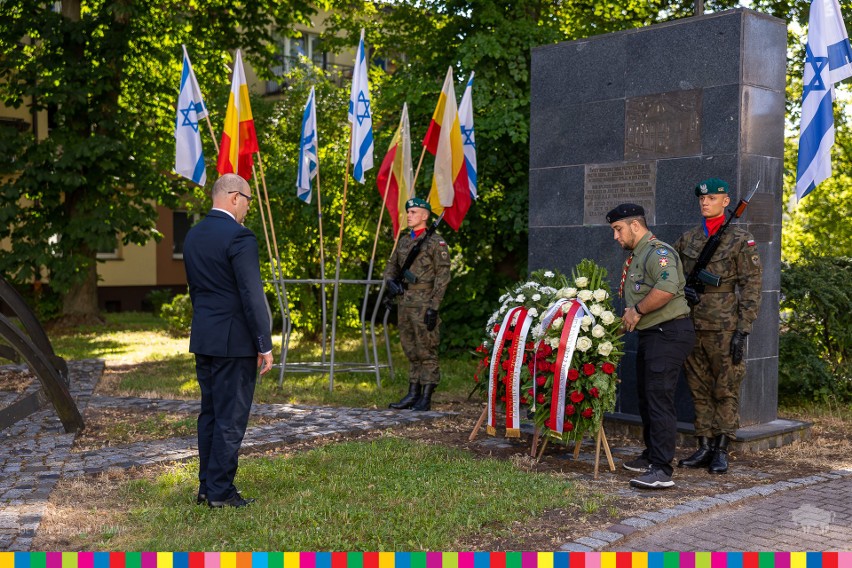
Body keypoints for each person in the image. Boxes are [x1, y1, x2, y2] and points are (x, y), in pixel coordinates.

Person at [183, 173, 273, 508]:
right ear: (234, 197)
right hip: (234, 342)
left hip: (204, 337)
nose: (248, 209)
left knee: (209, 414)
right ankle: (221, 491)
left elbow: (197, 292)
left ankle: (206, 487)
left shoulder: (192, 236)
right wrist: (264, 344)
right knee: (230, 418)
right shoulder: (240, 237)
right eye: (248, 201)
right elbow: (252, 294)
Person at [674, 178, 762, 474]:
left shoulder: (740, 240)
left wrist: (743, 329)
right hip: (691, 321)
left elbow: (751, 286)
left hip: (724, 326)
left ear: (726, 201)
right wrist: (681, 290)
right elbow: (670, 274)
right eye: (702, 199)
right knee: (698, 387)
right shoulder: (688, 239)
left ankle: (722, 447)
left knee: (726, 387)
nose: (705, 202)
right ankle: (704, 445)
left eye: (712, 198)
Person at [607, 203, 695, 489]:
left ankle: (661, 470)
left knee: (659, 399)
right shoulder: (638, 255)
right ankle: (651, 455)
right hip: (652, 334)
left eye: (618, 229)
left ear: (635, 225)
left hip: (668, 332)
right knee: (647, 398)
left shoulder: (658, 252)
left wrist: (638, 311)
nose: (616, 236)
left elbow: (666, 289)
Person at [385, 197, 451, 411]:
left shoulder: (435, 242)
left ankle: (426, 395)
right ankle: (413, 393)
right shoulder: (404, 241)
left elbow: (443, 277)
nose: (409, 215)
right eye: (408, 212)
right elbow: (392, 266)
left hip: (424, 303)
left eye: (414, 212)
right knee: (410, 348)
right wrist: (390, 282)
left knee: (426, 349)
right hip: (405, 302)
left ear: (425, 215)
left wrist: (434, 306)